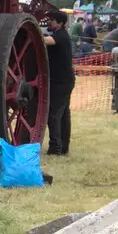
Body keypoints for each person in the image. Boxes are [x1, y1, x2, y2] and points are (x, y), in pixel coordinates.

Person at [42, 10, 75, 156]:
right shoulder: (62, 35)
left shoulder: (60, 36)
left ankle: (55, 147)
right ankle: (63, 147)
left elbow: (45, 41)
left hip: (61, 82)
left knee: (54, 114)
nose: (49, 22)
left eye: (52, 20)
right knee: (63, 114)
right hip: (64, 80)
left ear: (60, 23)